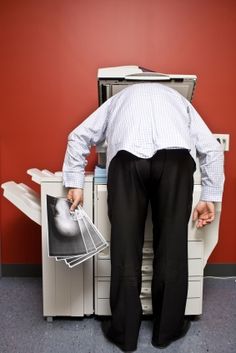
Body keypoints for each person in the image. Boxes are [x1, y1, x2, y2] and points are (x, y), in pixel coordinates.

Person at [62, 83, 224, 351]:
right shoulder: (178, 99)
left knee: (125, 245)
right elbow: (213, 150)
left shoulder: (116, 100)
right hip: (176, 161)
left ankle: (124, 333)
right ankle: (166, 331)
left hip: (127, 160)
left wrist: (75, 184)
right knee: (172, 245)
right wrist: (209, 197)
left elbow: (78, 136)